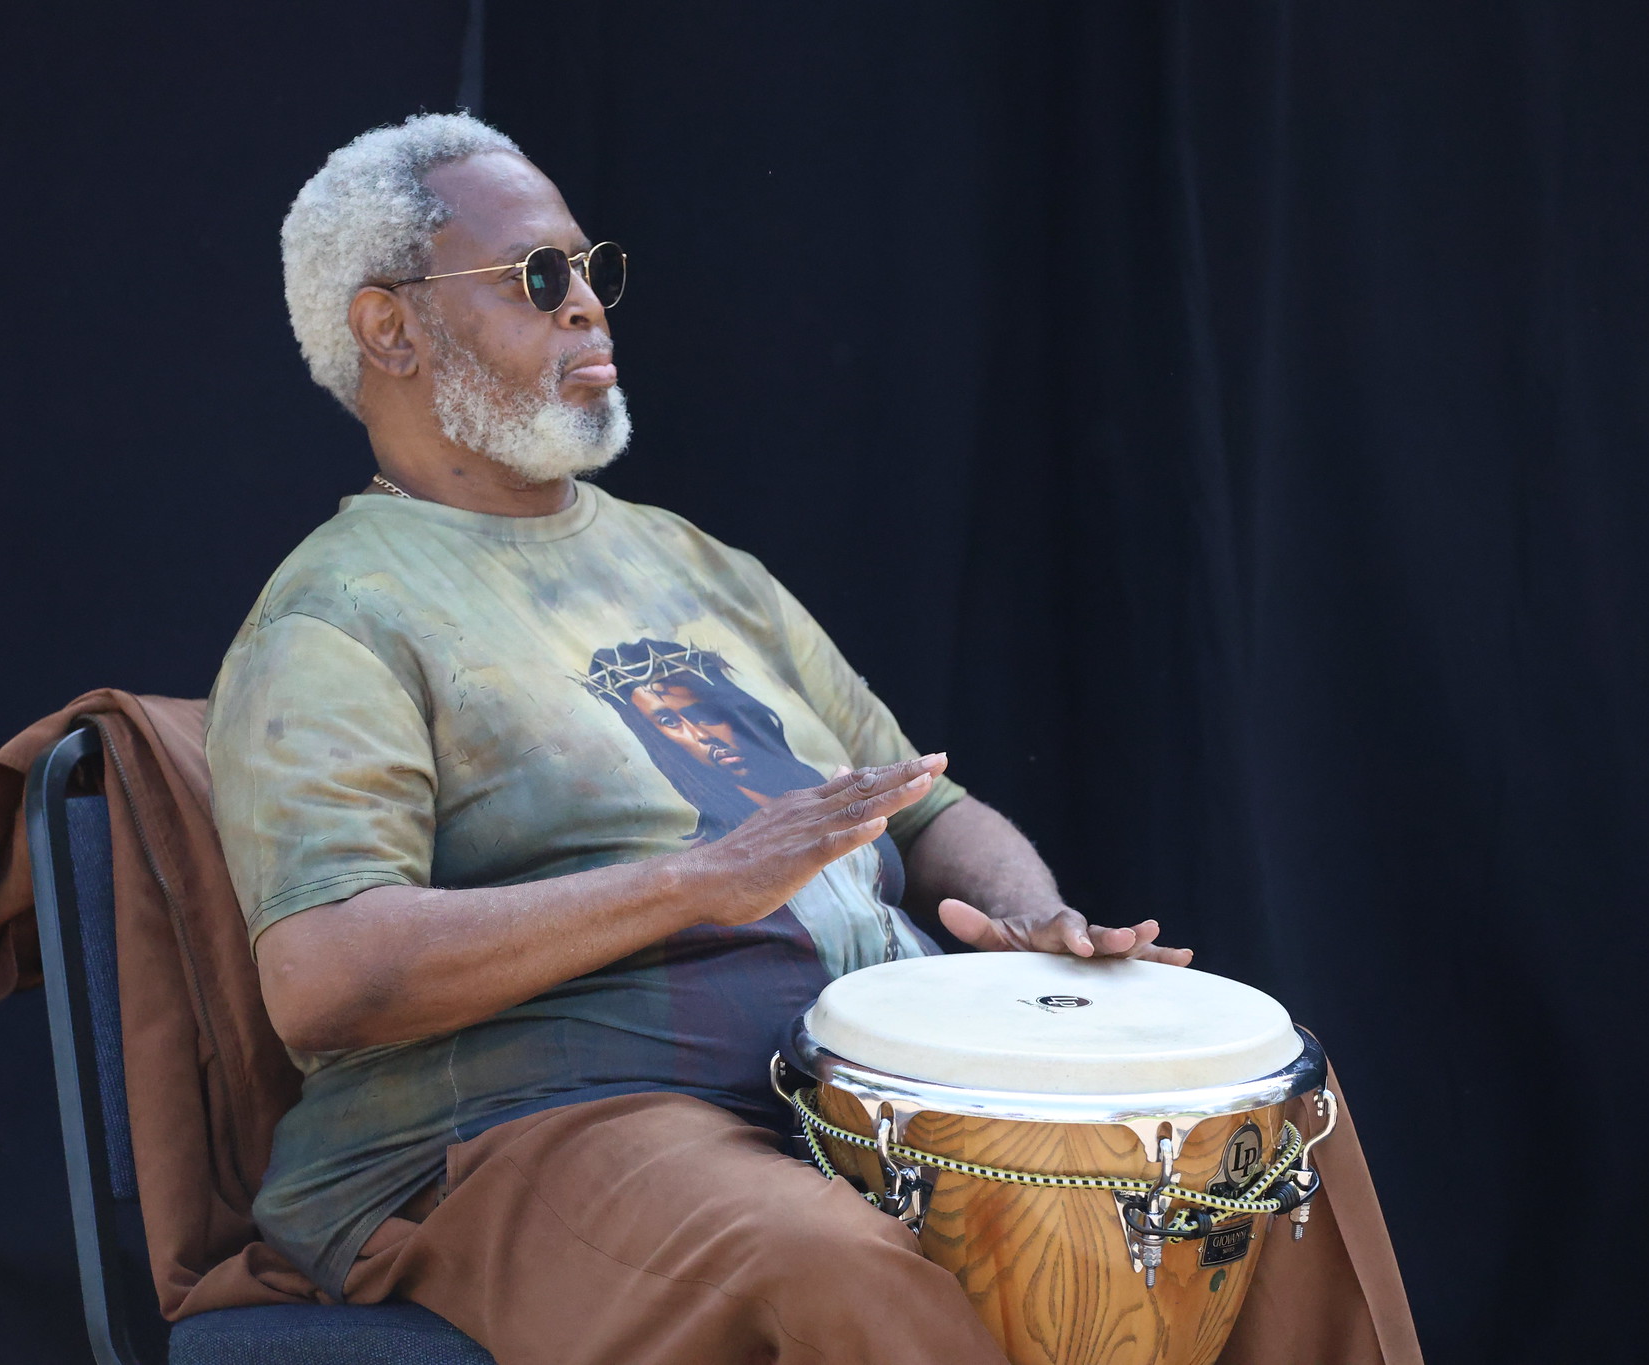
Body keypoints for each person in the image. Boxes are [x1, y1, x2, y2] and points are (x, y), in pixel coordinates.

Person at [205, 111, 1190, 1365]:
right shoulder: (336, 615)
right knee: (828, 1266)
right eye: (536, 276)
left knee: (1236, 1168)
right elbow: (326, 977)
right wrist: (693, 883)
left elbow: (925, 805)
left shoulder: (697, 564)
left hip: (845, 1095)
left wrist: (1033, 923)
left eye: (589, 269)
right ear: (389, 328)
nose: (585, 306)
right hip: (533, 1127)